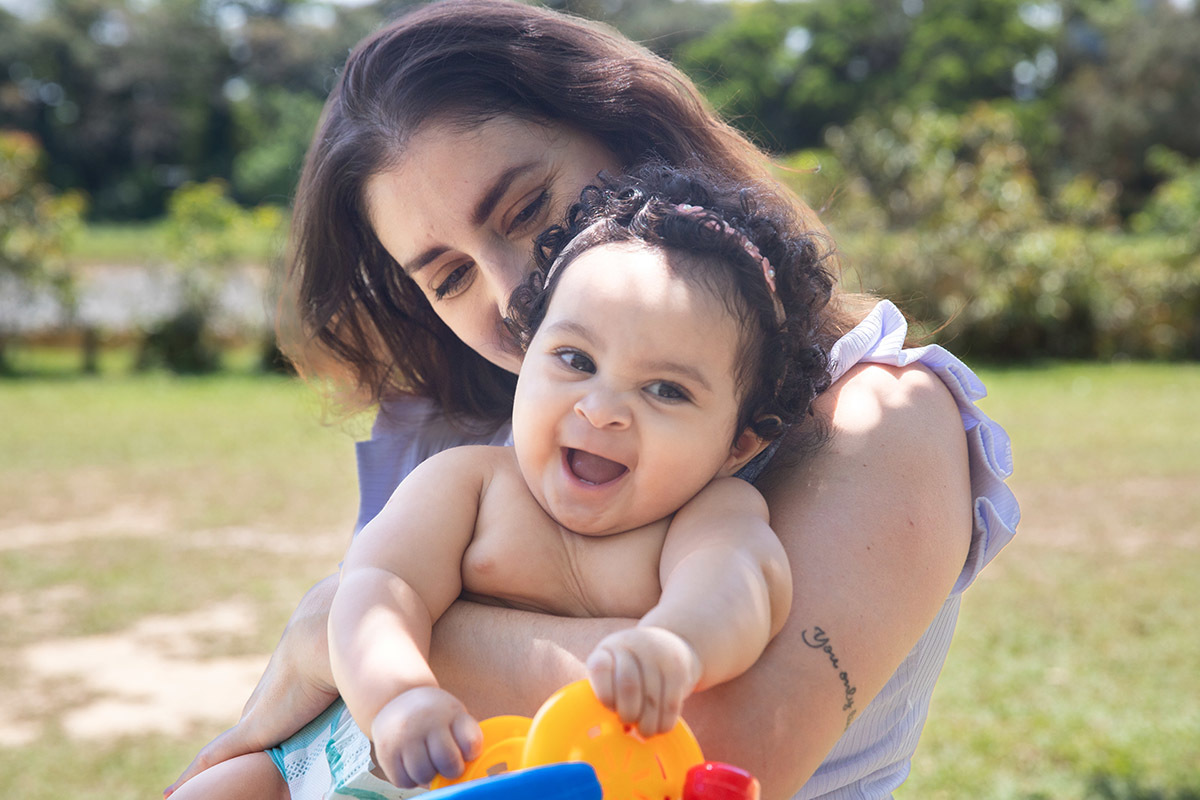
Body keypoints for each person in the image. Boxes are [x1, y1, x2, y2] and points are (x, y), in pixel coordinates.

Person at [166, 2, 1020, 798]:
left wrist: (333, 630)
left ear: (635, 140)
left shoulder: (880, 415)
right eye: (450, 276)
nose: (507, 297)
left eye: (527, 205)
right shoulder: (482, 444)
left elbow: (723, 734)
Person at [169, 165, 834, 799]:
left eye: (666, 389)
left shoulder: (710, 516)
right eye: (574, 359)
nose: (601, 409)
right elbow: (378, 586)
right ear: (526, 357)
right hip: (326, 764)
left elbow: (739, 587)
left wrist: (674, 645)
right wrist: (398, 695)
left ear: (738, 442)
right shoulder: (470, 485)